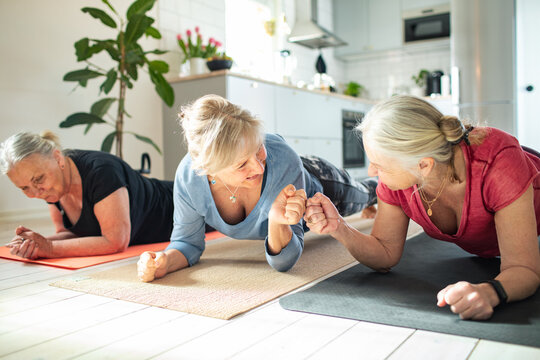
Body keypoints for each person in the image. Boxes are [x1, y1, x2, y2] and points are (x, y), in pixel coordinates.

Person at [304, 95, 540, 321]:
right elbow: (385, 253)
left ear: (423, 165)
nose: (371, 173)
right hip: (486, 247)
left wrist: (490, 292)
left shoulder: (499, 165)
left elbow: (523, 269)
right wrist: (340, 228)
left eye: (379, 166)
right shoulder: (401, 178)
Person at [137, 94, 378, 282]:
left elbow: (286, 261)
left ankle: (381, 187)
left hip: (320, 181)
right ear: (210, 170)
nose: (258, 168)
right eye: (242, 164)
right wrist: (163, 262)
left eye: (258, 149)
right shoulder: (189, 178)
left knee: (365, 193)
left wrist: (277, 222)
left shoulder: (280, 159)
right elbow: (187, 244)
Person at [0, 131, 174, 259]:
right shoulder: (52, 189)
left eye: (38, 179)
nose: (35, 193)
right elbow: (69, 234)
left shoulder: (101, 171)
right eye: (24, 188)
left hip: (182, 204)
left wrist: (50, 248)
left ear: (58, 159)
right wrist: (35, 242)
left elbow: (116, 242)